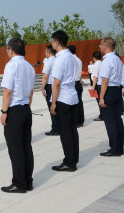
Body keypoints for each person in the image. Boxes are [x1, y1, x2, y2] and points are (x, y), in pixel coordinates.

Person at [0, 38, 35, 193]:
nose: (7, 52)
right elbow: (31, 91)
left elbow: (8, 91)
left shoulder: (11, 66)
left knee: (16, 149)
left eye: (7, 49)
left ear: (11, 50)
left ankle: (19, 183)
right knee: (26, 146)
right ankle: (28, 181)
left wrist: (4, 112)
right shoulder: (29, 66)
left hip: (14, 110)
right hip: (26, 109)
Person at [50, 30, 80, 171]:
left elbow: (56, 83)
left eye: (52, 41)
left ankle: (69, 162)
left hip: (63, 98)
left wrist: (53, 102)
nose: (51, 44)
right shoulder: (71, 57)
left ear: (56, 42)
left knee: (65, 132)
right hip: (72, 96)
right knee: (72, 130)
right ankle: (73, 159)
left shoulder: (60, 59)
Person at [98, 37, 124, 156]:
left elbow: (105, 80)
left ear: (106, 46)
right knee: (117, 120)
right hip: (117, 90)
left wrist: (101, 97)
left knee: (110, 121)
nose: (100, 47)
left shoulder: (107, 60)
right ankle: (119, 146)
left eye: (101, 45)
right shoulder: (117, 59)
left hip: (109, 91)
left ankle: (114, 148)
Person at [41, 46, 59, 136]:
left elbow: (45, 76)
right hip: (57, 85)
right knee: (57, 106)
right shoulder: (57, 59)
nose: (45, 53)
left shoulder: (48, 61)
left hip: (50, 85)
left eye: (45, 51)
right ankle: (58, 127)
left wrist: (42, 87)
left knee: (51, 107)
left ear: (48, 51)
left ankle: (55, 129)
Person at [68, 45, 85, 127]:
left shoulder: (71, 60)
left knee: (74, 103)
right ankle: (81, 121)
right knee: (80, 102)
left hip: (73, 83)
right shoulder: (79, 60)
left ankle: (75, 121)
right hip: (78, 83)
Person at [90, 51, 104, 121]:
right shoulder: (102, 63)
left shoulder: (96, 65)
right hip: (102, 84)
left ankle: (102, 115)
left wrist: (93, 87)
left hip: (98, 85)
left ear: (93, 57)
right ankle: (104, 114)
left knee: (99, 100)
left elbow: (95, 77)